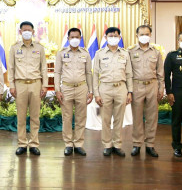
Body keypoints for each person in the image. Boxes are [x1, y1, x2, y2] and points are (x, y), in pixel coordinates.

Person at [8, 21, 48, 156]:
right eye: (24, 30)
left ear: (33, 32)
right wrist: (11, 86)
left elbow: (44, 68)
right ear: (20, 32)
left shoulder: (39, 48)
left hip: (36, 84)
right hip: (20, 85)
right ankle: (22, 143)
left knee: (35, 116)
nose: (26, 32)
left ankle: (34, 143)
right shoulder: (14, 48)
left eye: (29, 30)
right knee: (21, 116)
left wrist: (44, 85)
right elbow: (11, 68)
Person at [93, 27, 133, 157]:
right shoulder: (99, 53)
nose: (113, 38)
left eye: (116, 36)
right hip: (105, 88)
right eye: (110, 36)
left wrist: (130, 92)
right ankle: (107, 145)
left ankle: (117, 145)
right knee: (105, 119)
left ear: (119, 38)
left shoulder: (125, 53)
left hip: (121, 88)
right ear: (105, 37)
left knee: (119, 118)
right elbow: (95, 75)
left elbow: (129, 74)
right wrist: (96, 94)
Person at [54, 28, 93, 156]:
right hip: (66, 89)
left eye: (77, 37)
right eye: (72, 37)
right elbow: (57, 72)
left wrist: (91, 90)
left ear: (80, 38)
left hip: (82, 88)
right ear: (68, 39)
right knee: (67, 117)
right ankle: (68, 144)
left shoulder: (85, 53)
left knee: (81, 117)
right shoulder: (61, 53)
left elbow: (88, 73)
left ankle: (79, 144)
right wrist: (57, 90)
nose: (75, 39)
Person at [128, 25, 164, 157]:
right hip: (136, 85)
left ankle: (150, 145)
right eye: (142, 34)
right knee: (137, 117)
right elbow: (128, 73)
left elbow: (161, 73)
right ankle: (137, 144)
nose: (144, 36)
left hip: (152, 85)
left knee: (152, 117)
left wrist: (161, 89)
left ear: (150, 35)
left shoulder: (156, 52)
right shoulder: (130, 52)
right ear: (137, 35)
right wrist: (129, 91)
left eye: (147, 34)